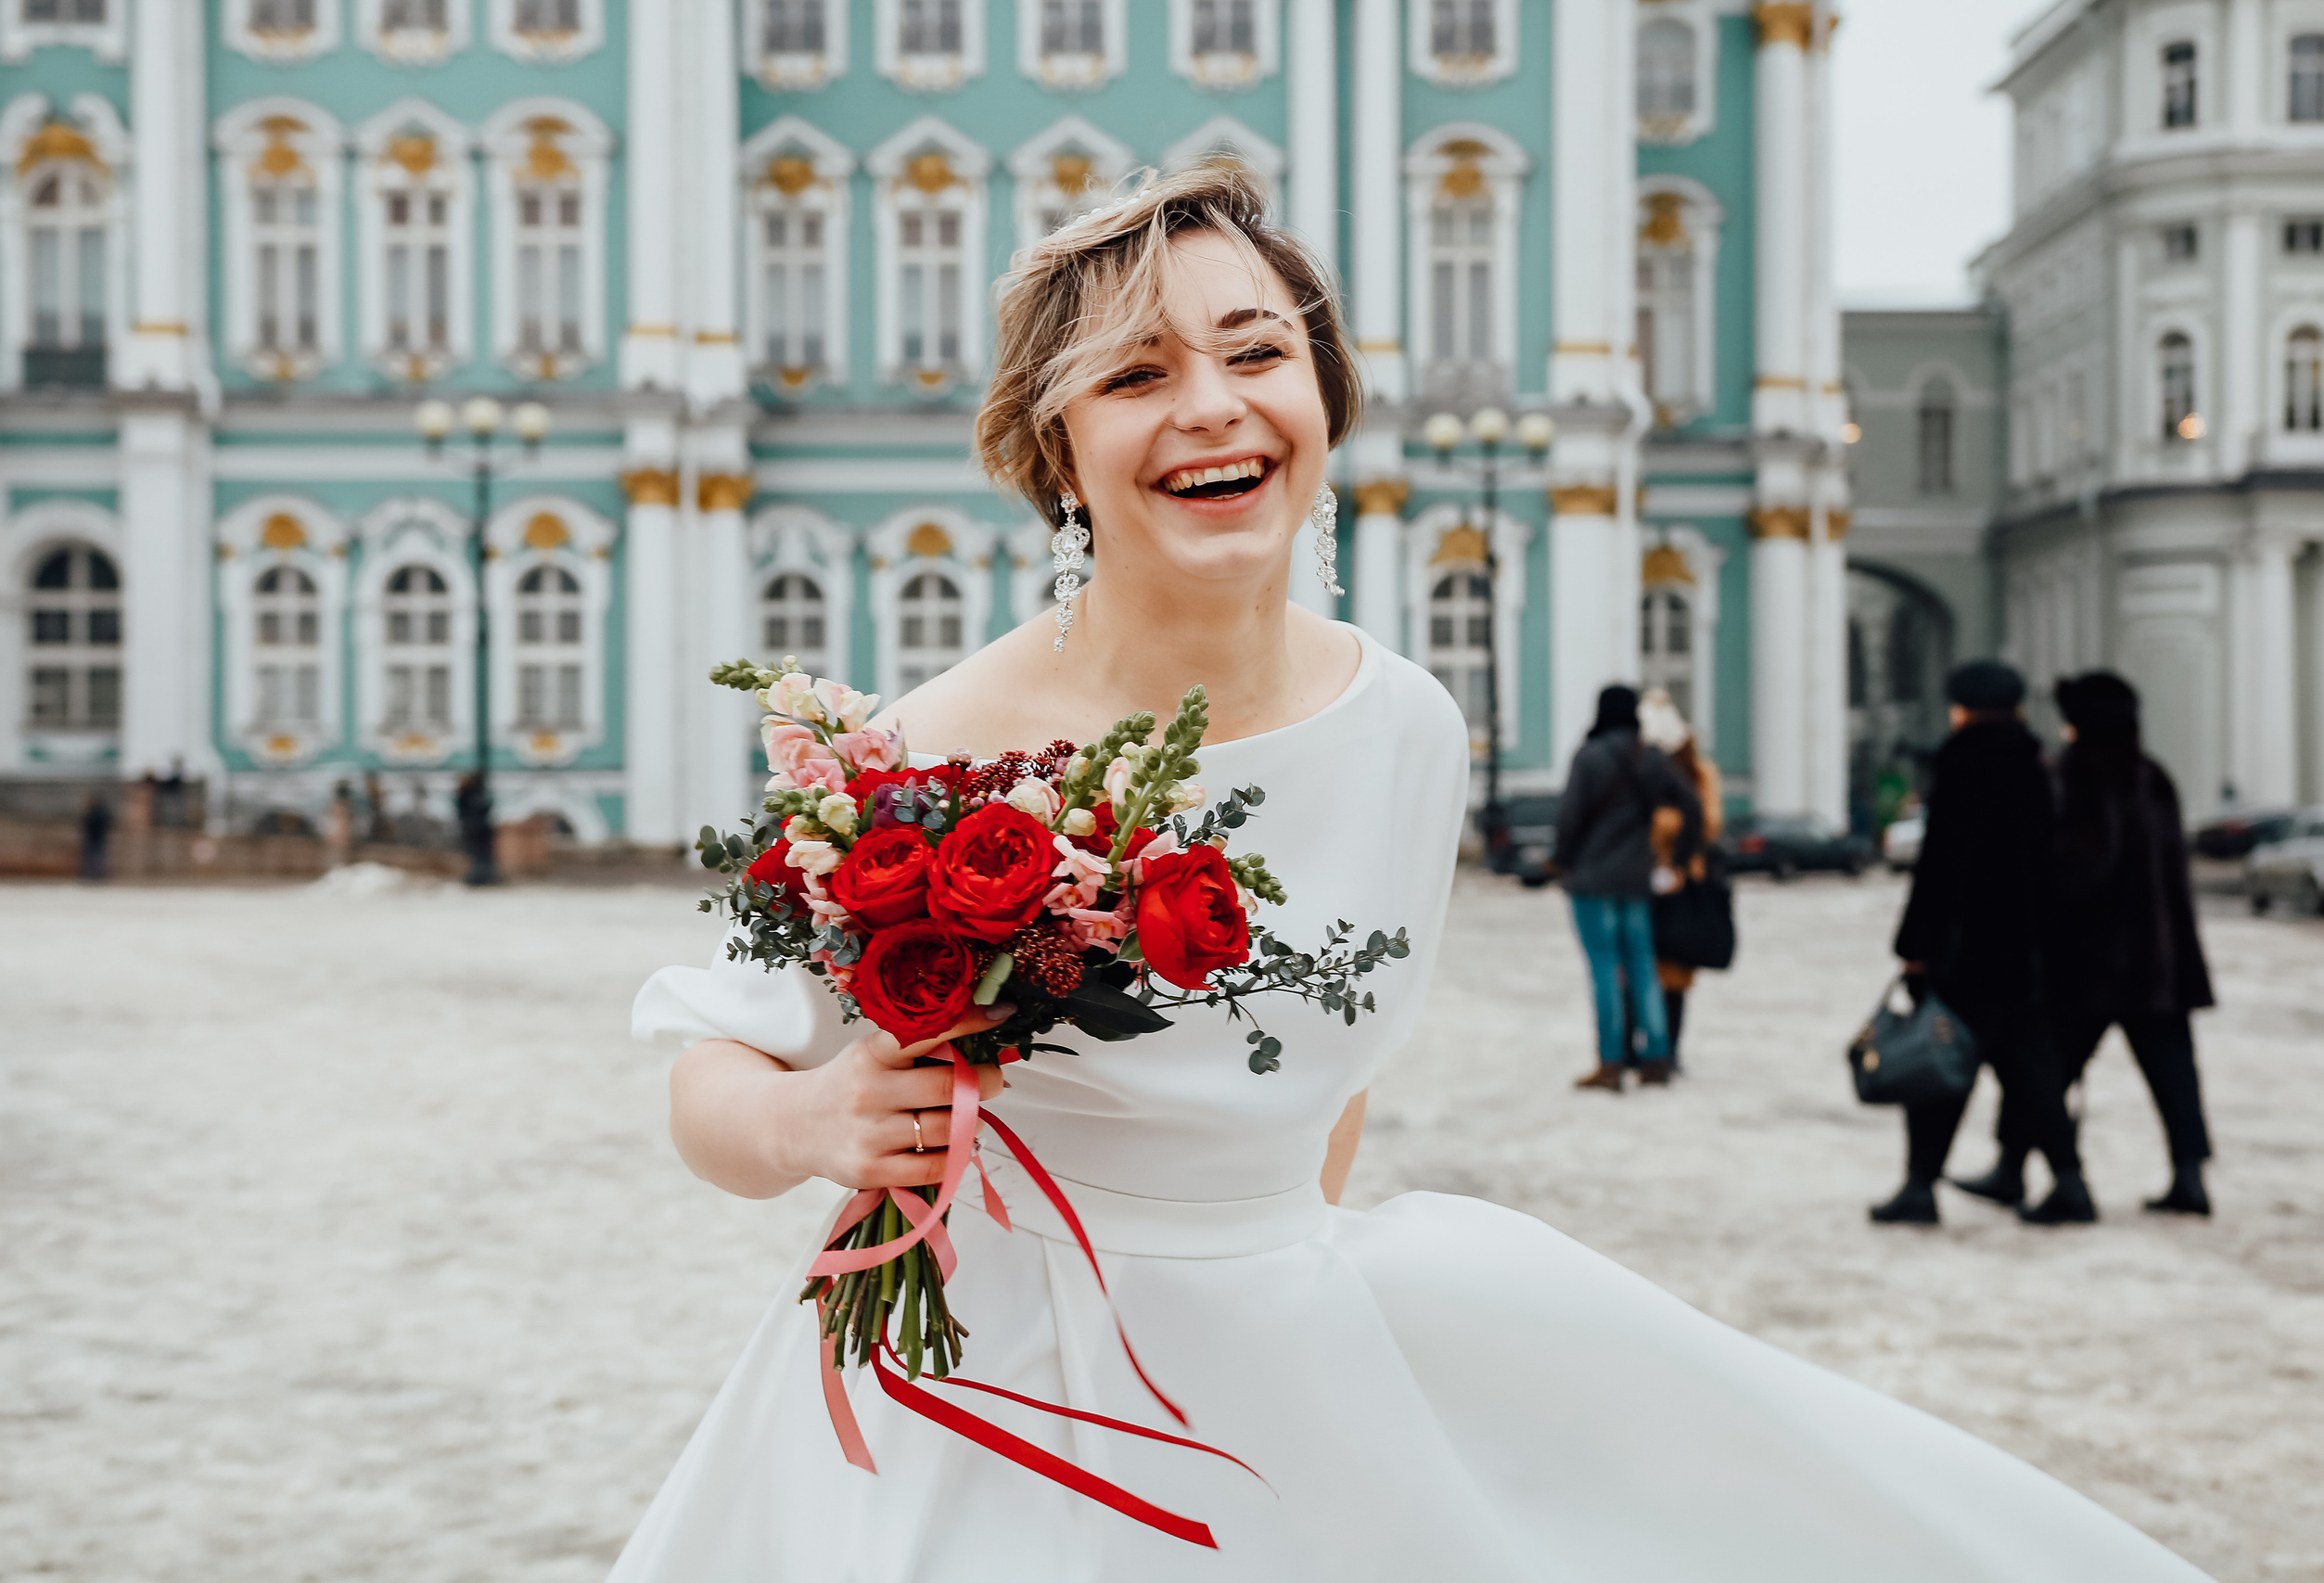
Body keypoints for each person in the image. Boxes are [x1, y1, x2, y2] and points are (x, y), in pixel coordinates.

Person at [614, 166, 2208, 1581]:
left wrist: (1289, 1356)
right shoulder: (932, 744)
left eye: (1256, 352)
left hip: (1279, 1355)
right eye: (1139, 375)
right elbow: (713, 1062)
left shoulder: (1405, 724)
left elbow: (1339, 1085)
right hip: (976, 1384)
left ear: (1325, 397)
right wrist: (806, 1120)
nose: (1214, 405)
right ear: (1058, 443)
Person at [1959, 672, 2215, 1217]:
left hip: (2092, 962)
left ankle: (2012, 1167)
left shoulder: (2080, 776)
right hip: (2162, 961)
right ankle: (2190, 1178)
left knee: (2041, 1070)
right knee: (2174, 1074)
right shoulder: (2154, 777)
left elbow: (2082, 870)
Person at [1883, 660, 2088, 1228]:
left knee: (1936, 1063)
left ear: (1965, 707)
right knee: (2035, 1076)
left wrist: (1915, 944)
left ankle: (1919, 1186)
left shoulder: (1962, 765)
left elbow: (1940, 866)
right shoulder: (2036, 766)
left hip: (1964, 950)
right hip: (2024, 953)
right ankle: (2071, 1182)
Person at [1554, 683, 1702, 1091]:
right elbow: (1692, 804)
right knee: (1642, 967)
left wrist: (1561, 860)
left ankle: (1611, 1062)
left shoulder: (1589, 757)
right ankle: (1656, 1057)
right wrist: (1681, 859)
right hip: (1637, 879)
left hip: (1591, 879)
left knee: (1604, 969)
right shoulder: (1649, 758)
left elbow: (1570, 818)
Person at [1640, 689, 1723, 1068]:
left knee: (1676, 971)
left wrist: (1662, 827)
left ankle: (1669, 1050)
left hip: (1686, 882)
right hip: (1646, 880)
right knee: (1643, 967)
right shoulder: (1646, 767)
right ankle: (1646, 1048)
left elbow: (1709, 822)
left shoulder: (1700, 772)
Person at [78, 794, 112, 883]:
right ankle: (95, 876)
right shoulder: (100, 814)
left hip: (94, 839)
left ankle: (94, 876)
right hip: (96, 839)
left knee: (94, 859)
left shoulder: (93, 814)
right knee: (95, 859)